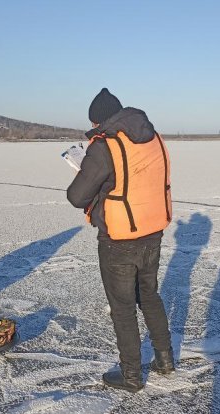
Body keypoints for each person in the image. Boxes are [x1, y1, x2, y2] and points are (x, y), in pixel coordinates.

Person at [67, 88, 174, 392]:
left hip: (120, 239)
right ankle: (164, 359)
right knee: (149, 295)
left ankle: (131, 375)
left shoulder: (105, 146)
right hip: (152, 231)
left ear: (99, 120)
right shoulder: (153, 138)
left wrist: (84, 167)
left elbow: (77, 196)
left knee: (123, 306)